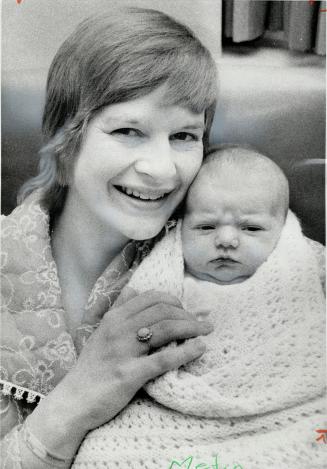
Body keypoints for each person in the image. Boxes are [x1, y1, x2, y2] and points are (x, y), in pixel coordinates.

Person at [0, 8, 218, 468]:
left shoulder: (219, 258)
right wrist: (79, 396)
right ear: (66, 140)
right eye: (127, 131)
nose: (162, 169)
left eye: (184, 135)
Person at [80, 145, 325, 468]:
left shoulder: (302, 267)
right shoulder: (162, 277)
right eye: (206, 227)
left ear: (283, 230)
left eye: (251, 228)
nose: (226, 239)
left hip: (285, 408)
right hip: (172, 414)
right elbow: (115, 335)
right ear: (180, 228)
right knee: (104, 452)